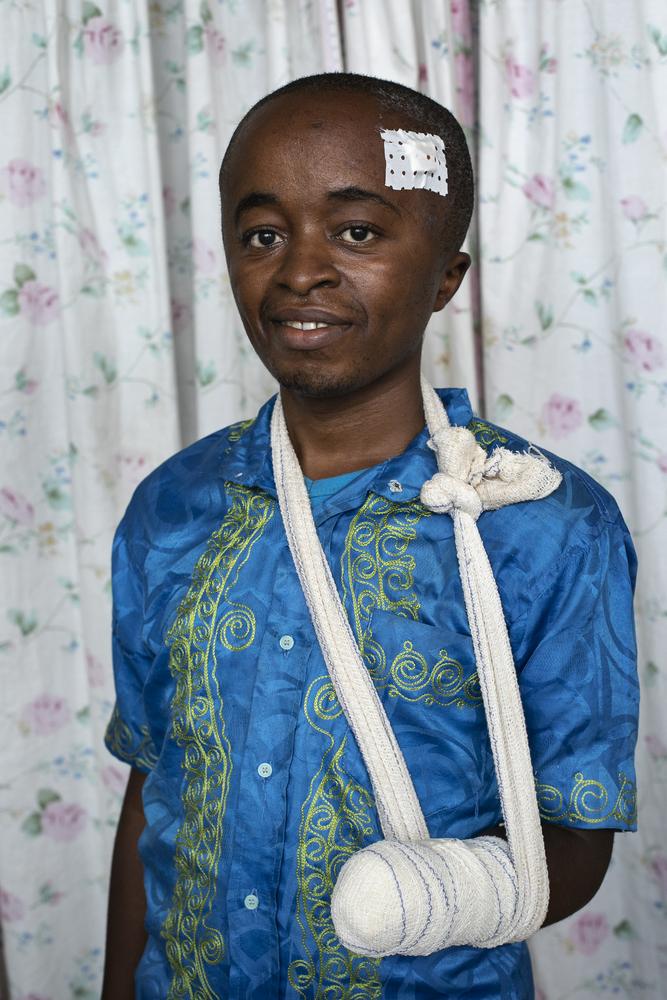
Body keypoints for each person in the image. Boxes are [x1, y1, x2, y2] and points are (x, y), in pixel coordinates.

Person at [101, 73, 638, 1000]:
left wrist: (430, 896)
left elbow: (576, 834)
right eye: (262, 234)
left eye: (357, 232)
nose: (300, 269)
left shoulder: (540, 520)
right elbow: (153, 785)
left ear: (444, 278)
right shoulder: (173, 508)